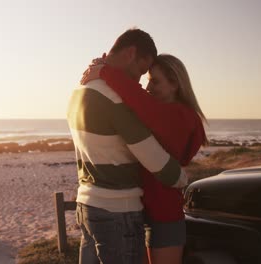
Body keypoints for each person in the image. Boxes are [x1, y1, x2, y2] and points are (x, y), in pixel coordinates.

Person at [67, 29, 189, 264]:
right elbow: (156, 161)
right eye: (142, 71)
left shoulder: (79, 91)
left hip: (86, 207)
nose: (140, 82)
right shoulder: (115, 100)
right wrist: (182, 178)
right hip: (116, 211)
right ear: (131, 53)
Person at [81, 54, 208, 264]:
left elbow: (139, 99)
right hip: (138, 210)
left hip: (164, 213)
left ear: (175, 84)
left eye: (155, 81)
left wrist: (105, 71)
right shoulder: (158, 114)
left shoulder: (181, 116)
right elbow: (132, 101)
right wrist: (109, 65)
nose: (148, 87)